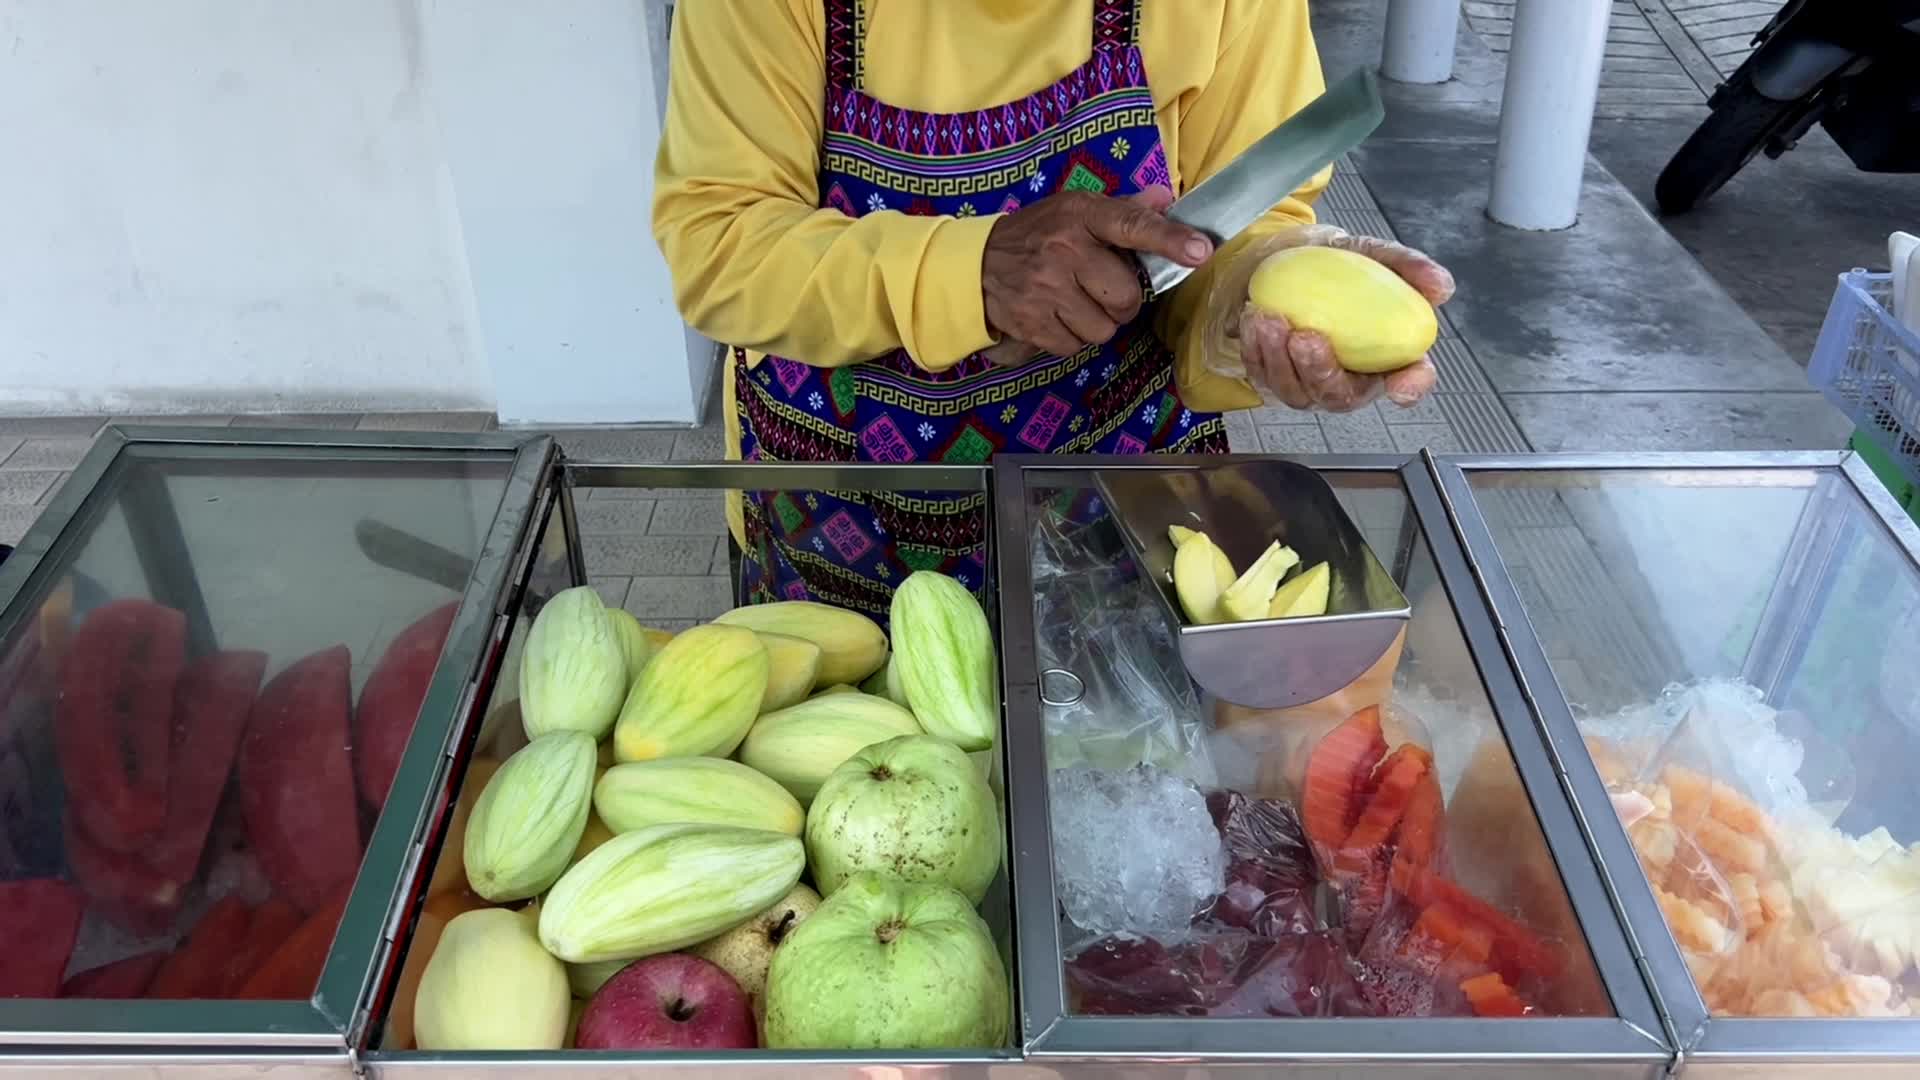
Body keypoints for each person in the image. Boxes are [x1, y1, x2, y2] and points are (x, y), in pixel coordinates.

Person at [653, 0, 1453, 622]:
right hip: (836, 511)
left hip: (1118, 500)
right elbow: (722, 242)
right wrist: (974, 271)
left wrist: (1256, 302)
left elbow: (1236, 230)